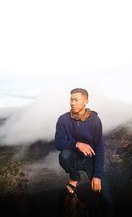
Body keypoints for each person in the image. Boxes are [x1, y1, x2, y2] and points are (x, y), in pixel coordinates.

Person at [54, 88, 113, 216]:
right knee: (64, 154)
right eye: (71, 99)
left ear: (85, 101)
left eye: (76, 100)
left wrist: (97, 175)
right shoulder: (63, 119)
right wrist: (77, 144)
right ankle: (74, 177)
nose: (72, 103)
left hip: (91, 160)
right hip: (74, 158)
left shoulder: (95, 121)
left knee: (106, 199)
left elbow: (99, 148)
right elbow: (58, 143)